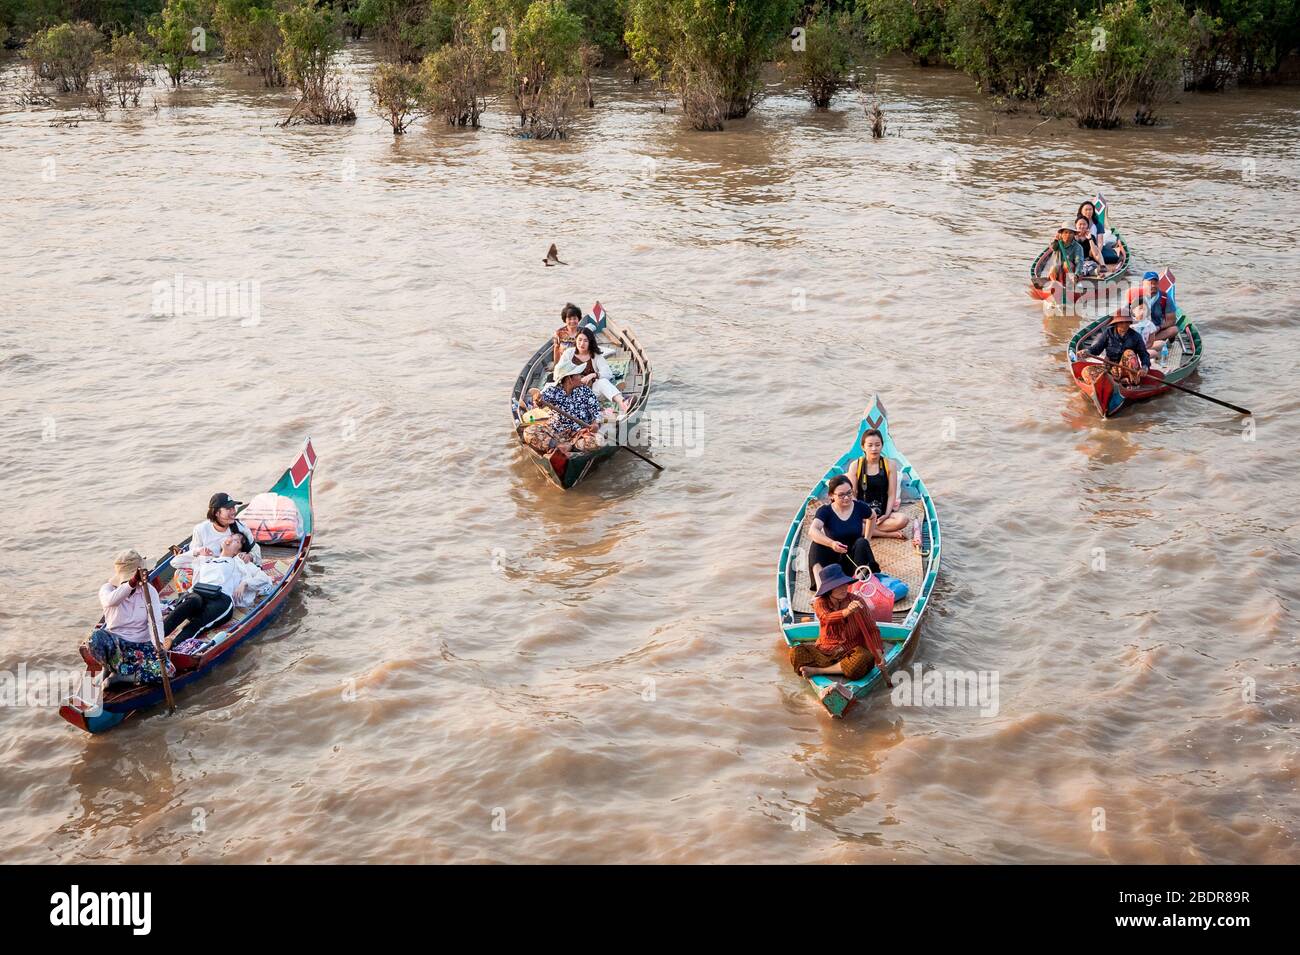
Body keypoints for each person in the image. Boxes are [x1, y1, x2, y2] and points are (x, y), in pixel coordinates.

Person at [84, 549, 174, 684]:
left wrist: (159, 645)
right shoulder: (107, 589)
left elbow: (155, 622)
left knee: (167, 670)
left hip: (142, 644)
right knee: (93, 639)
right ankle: (110, 668)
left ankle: (123, 677)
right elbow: (111, 601)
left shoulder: (149, 591)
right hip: (117, 645)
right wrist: (131, 583)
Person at [788, 565, 889, 683]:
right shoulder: (820, 602)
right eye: (838, 586)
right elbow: (826, 618)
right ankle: (833, 668)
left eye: (845, 584)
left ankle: (817, 671)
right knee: (795, 652)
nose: (844, 588)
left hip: (850, 652)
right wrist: (848, 611)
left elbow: (871, 629)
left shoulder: (857, 601)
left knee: (865, 658)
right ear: (829, 590)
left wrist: (878, 652)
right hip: (825, 651)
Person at [162, 534, 248, 645]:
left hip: (221, 599)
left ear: (238, 551)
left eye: (236, 541)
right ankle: (157, 638)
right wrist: (198, 552)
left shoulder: (238, 562)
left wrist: (245, 583)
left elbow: (262, 579)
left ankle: (172, 646)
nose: (231, 540)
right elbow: (175, 562)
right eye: (230, 537)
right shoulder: (206, 560)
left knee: (197, 623)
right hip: (198, 594)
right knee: (192, 601)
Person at [806, 475, 881, 593]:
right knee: (816, 544)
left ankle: (856, 584)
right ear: (831, 496)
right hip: (833, 560)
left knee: (862, 542)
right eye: (841, 495)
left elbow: (872, 516)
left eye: (849, 493)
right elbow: (812, 531)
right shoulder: (825, 511)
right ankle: (821, 589)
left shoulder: (859, 507)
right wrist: (831, 543)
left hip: (853, 560)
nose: (846, 498)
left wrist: (867, 538)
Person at [521, 356, 608, 454]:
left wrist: (595, 424)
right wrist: (537, 399)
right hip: (556, 432)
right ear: (570, 379)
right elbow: (540, 400)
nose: (581, 376)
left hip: (578, 434)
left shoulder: (585, 391)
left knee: (598, 441)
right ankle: (558, 446)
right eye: (578, 375)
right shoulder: (553, 391)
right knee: (529, 431)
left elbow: (596, 412)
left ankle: (569, 447)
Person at [846, 429, 911, 539]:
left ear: (882, 445)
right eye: (870, 445)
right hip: (863, 515)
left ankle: (868, 529)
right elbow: (852, 494)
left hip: (882, 515)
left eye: (877, 445)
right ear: (863, 447)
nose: (874, 449)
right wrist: (862, 516)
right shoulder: (855, 465)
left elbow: (891, 494)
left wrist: (886, 515)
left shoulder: (890, 465)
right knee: (847, 524)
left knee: (903, 520)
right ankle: (886, 534)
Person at [561, 327, 629, 413]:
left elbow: (608, 373)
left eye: (585, 341)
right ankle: (604, 400)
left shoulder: (595, 355)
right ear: (576, 340)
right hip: (571, 391)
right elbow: (560, 371)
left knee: (603, 382)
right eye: (580, 340)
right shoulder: (568, 353)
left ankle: (623, 402)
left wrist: (594, 375)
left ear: (590, 342)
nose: (582, 343)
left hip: (591, 391)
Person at [1081, 310, 1151, 389]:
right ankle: (1117, 382)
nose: (1124, 325)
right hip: (1111, 369)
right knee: (1086, 371)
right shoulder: (1108, 333)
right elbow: (1097, 348)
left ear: (1130, 323)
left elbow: (1144, 354)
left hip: (1128, 371)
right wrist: (1087, 351)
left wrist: (1145, 367)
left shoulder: (1136, 336)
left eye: (1127, 322)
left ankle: (1133, 383)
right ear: (1116, 323)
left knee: (1128, 353)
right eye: (1121, 322)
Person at [188, 492, 261, 566]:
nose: (234, 512)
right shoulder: (201, 530)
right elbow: (191, 554)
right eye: (228, 509)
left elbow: (256, 550)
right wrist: (199, 552)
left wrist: (250, 556)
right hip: (210, 569)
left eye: (233, 507)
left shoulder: (241, 527)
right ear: (216, 513)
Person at [1127, 271, 1178, 349]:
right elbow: (1125, 314)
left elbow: (1172, 320)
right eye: (1150, 283)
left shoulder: (1165, 298)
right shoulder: (1135, 295)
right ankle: (1143, 342)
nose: (1153, 286)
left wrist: (1159, 327)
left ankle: (1145, 342)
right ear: (1143, 284)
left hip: (1155, 331)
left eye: (1156, 283)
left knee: (1174, 330)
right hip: (1137, 329)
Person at [1077, 200, 1120, 264]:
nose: (1088, 212)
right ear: (1081, 211)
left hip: (1095, 248)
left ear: (1093, 211)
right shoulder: (1077, 223)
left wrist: (1097, 254)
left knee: (1113, 258)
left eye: (1090, 209)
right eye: (1086, 210)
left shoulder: (1097, 224)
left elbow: (1100, 242)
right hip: (1079, 248)